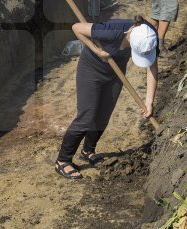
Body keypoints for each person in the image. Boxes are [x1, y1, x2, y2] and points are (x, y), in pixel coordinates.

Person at [55, 16, 159, 179]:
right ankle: (63, 160)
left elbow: (152, 68)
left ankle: (88, 150)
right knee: (86, 117)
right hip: (91, 70)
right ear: (130, 38)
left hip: (115, 73)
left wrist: (149, 101)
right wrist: (97, 51)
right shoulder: (112, 31)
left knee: (103, 116)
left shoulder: (149, 36)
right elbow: (76, 27)